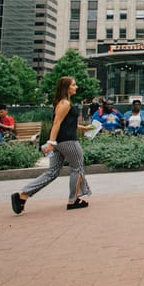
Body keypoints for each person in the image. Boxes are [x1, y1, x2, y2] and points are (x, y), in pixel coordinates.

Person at [11, 77, 93, 213]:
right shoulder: (65, 103)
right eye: (74, 85)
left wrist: (82, 128)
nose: (76, 87)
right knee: (77, 168)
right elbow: (56, 123)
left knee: (52, 172)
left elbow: (65, 123)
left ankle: (22, 196)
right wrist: (50, 143)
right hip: (68, 142)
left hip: (60, 142)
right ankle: (73, 201)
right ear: (66, 88)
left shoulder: (62, 103)